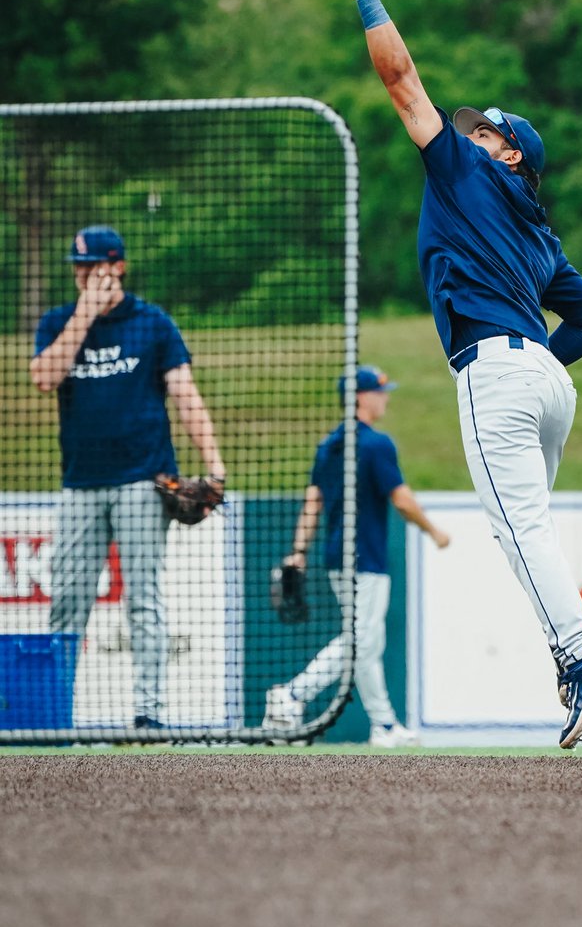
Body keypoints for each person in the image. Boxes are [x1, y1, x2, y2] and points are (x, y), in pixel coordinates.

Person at [331, 0, 582, 749]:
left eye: (486, 132)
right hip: (545, 379)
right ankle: (573, 658)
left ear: (509, 158)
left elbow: (400, 81)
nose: (468, 134)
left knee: (523, 531)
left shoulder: (467, 174)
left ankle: (581, 657)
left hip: (495, 370)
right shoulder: (543, 235)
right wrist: (542, 362)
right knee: (528, 531)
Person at [30, 225, 226, 731]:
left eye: (94, 265)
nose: (85, 274)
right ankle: (54, 715)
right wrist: (83, 317)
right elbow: (44, 378)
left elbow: (185, 393)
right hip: (80, 483)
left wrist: (214, 463)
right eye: (78, 266)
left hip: (143, 478)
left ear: (117, 265)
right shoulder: (59, 321)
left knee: (144, 598)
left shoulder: (152, 323)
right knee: (68, 602)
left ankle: (149, 714)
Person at [263, 364, 450, 746]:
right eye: (380, 392)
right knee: (361, 639)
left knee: (369, 642)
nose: (386, 398)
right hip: (365, 557)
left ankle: (383, 725)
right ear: (361, 397)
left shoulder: (328, 445)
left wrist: (299, 550)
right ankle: (292, 694)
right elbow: (401, 498)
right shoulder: (376, 444)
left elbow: (313, 501)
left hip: (337, 556)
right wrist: (434, 531)